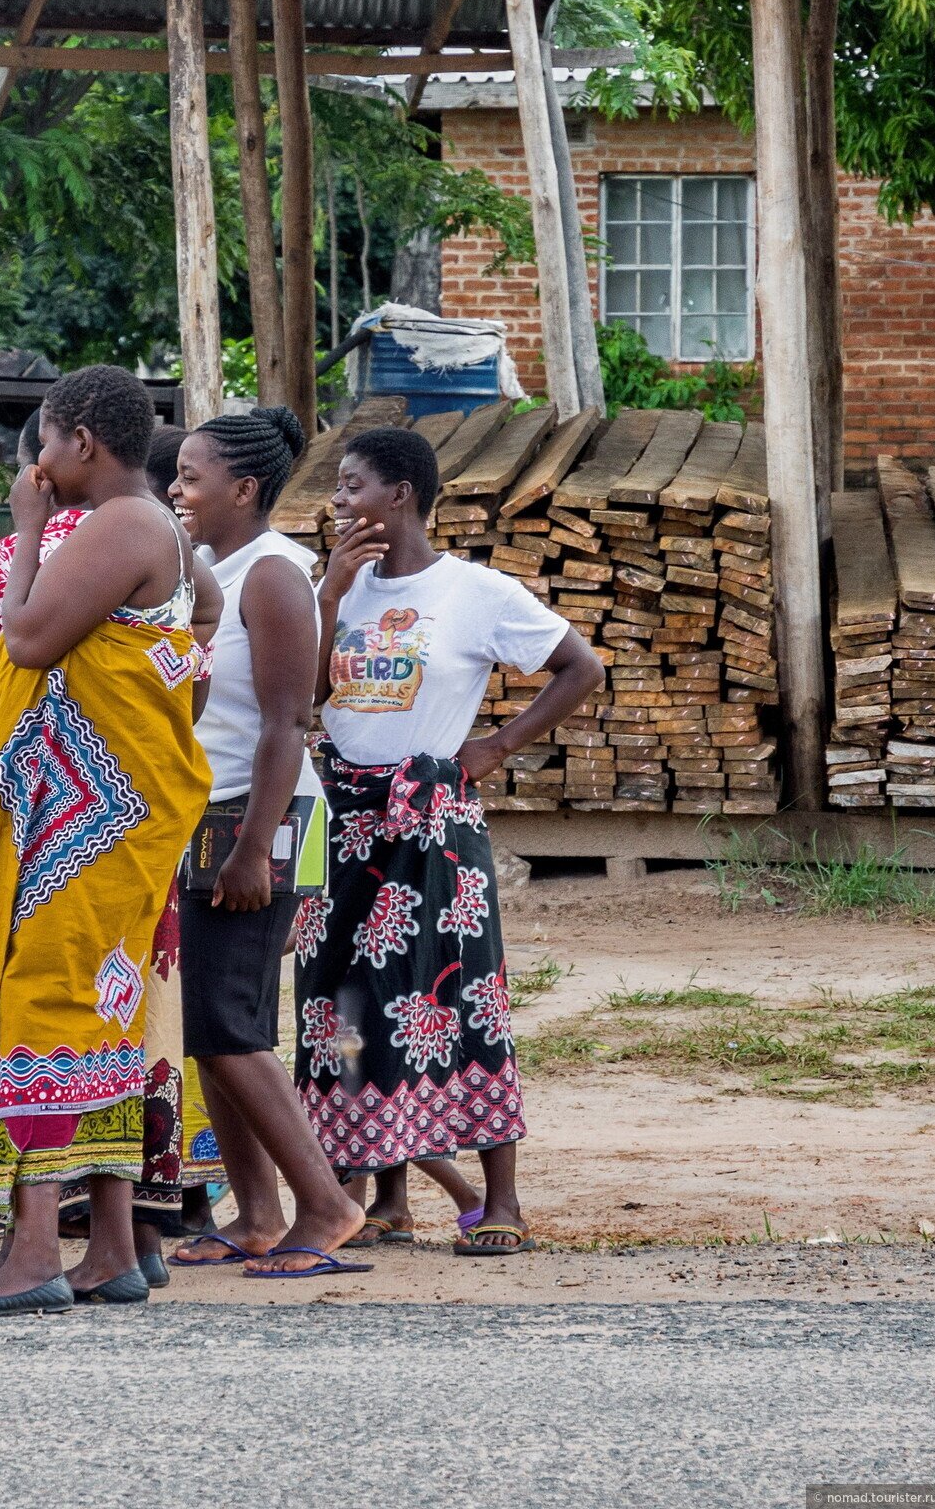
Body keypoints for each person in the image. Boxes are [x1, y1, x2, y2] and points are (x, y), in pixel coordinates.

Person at [0, 366, 211, 1316]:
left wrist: (20, 531)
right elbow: (198, 613)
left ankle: (38, 1252)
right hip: (96, 809)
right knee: (97, 1015)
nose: (39, 463)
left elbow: (34, 639)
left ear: (82, 440)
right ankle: (113, 1252)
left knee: (49, 1004)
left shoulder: (122, 523)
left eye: (46, 442)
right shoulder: (151, 529)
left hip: (92, 819)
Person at [302, 425, 604, 1258]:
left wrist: (497, 747)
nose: (339, 499)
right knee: (346, 1004)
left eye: (353, 484)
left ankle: (501, 1197)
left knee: (457, 996)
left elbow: (582, 668)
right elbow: (305, 695)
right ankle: (385, 1196)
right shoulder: (334, 587)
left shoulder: (476, 592)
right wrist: (327, 596)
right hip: (341, 820)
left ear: (400, 495)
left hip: (431, 821)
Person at [165, 407, 372, 1278]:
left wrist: (254, 850)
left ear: (243, 489)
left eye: (191, 476)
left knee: (233, 1023)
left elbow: (289, 721)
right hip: (206, 816)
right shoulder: (213, 570)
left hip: (260, 820)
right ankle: (255, 1214)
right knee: (208, 1028)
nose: (176, 490)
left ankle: (326, 1205)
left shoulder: (275, 575)